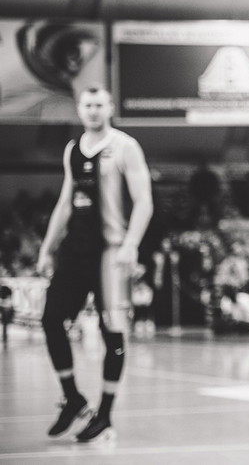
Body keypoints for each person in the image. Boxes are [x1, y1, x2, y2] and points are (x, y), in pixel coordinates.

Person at [35, 85, 153, 442]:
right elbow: (65, 203)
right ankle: (72, 397)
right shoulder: (73, 149)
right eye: (87, 105)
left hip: (111, 253)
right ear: (79, 109)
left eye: (100, 104)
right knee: (51, 320)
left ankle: (104, 414)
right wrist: (46, 248)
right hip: (75, 251)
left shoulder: (125, 147)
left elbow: (144, 201)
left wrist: (131, 244)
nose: (93, 111)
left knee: (111, 332)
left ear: (111, 107)